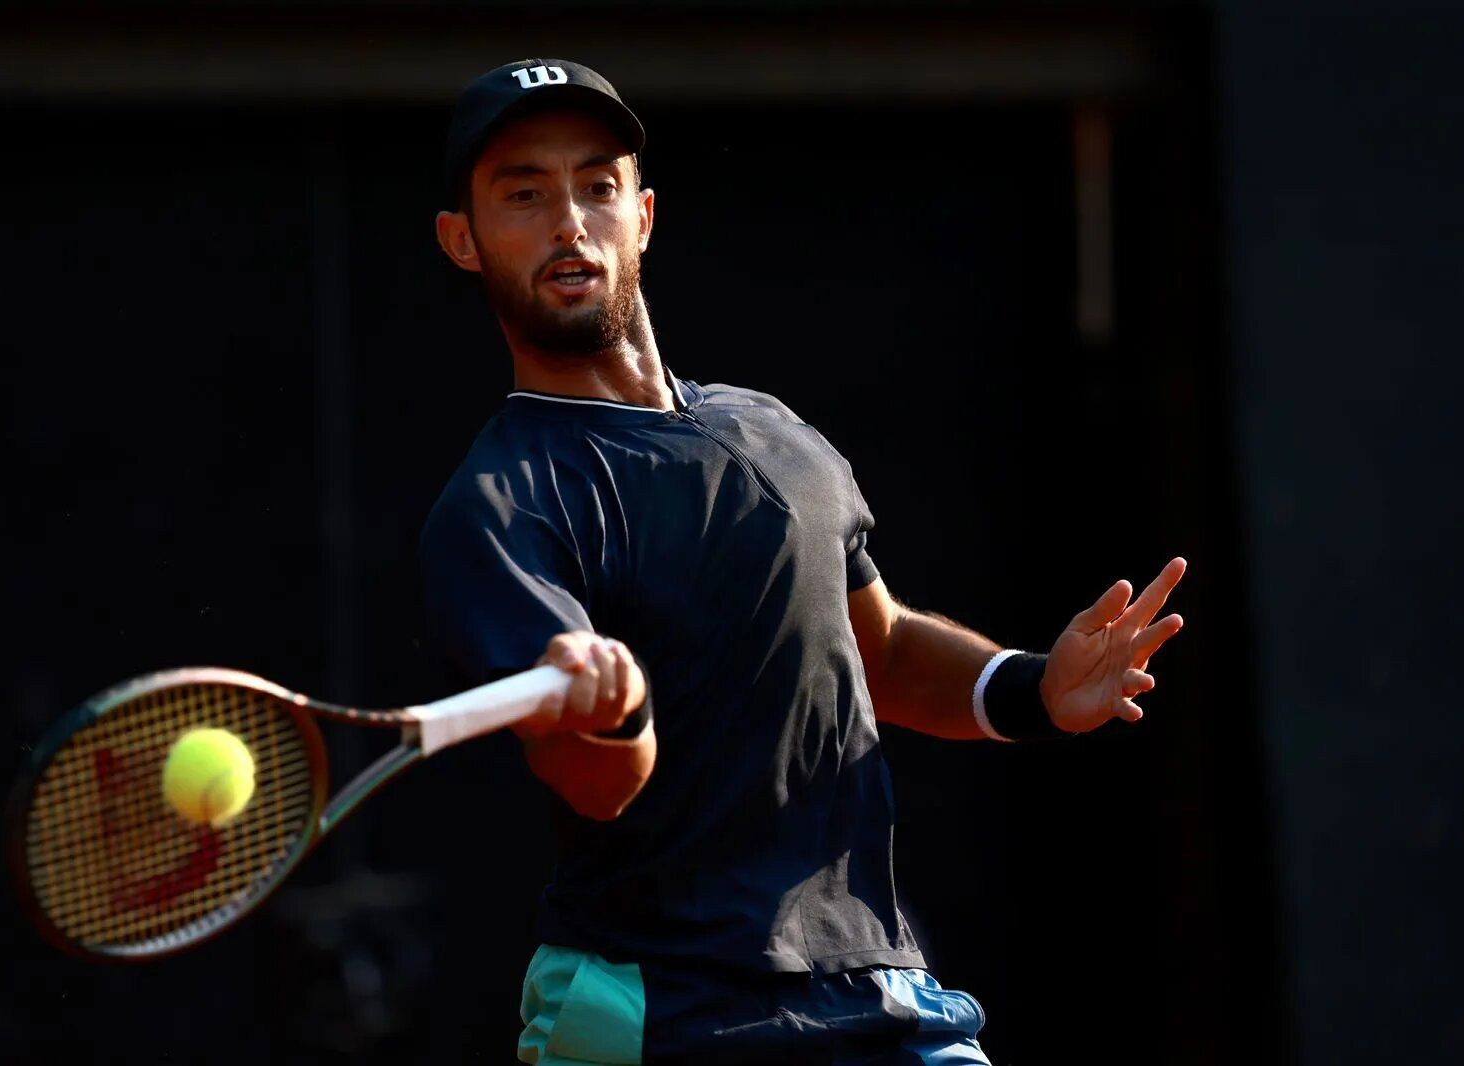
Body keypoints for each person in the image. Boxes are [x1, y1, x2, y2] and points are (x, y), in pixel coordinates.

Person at [419, 58, 1187, 1066]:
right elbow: (595, 782)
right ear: (462, 240)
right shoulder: (496, 504)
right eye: (523, 192)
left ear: (641, 215)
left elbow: (882, 649)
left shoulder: (772, 431)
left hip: (878, 987)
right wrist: (611, 712)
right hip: (657, 1008)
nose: (569, 221)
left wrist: (1034, 687)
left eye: (596, 185)